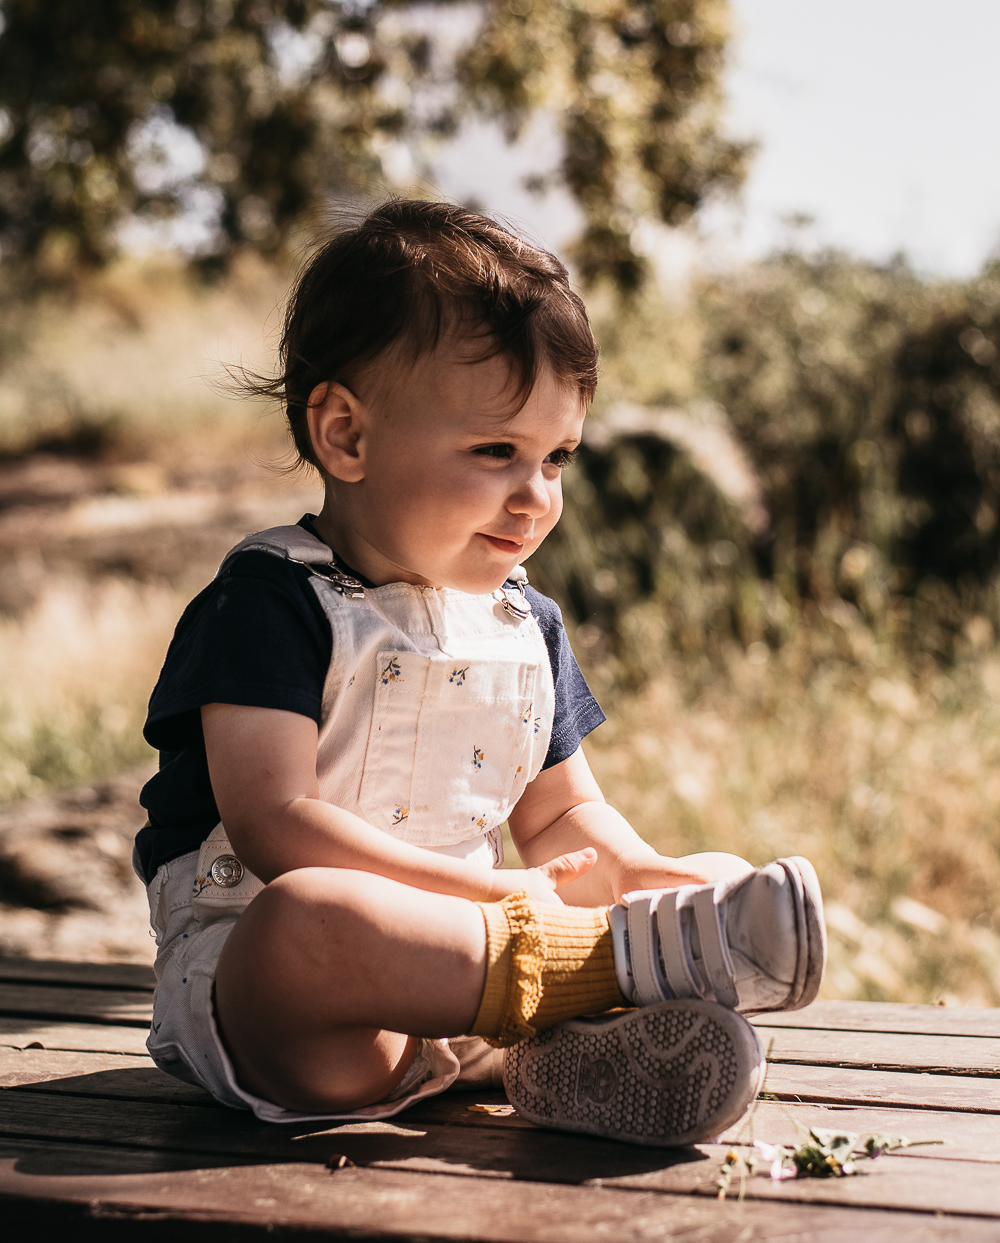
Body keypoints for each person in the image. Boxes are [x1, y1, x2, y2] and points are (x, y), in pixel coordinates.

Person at [134, 200, 826, 1148]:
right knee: (309, 916)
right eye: (497, 451)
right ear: (346, 435)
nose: (536, 496)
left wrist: (644, 879)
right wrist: (496, 900)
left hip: (485, 980)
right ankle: (593, 985)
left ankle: (563, 1054)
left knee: (713, 874)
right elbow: (274, 828)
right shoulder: (269, 603)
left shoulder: (522, 622)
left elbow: (560, 816)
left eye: (557, 458)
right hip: (294, 1014)